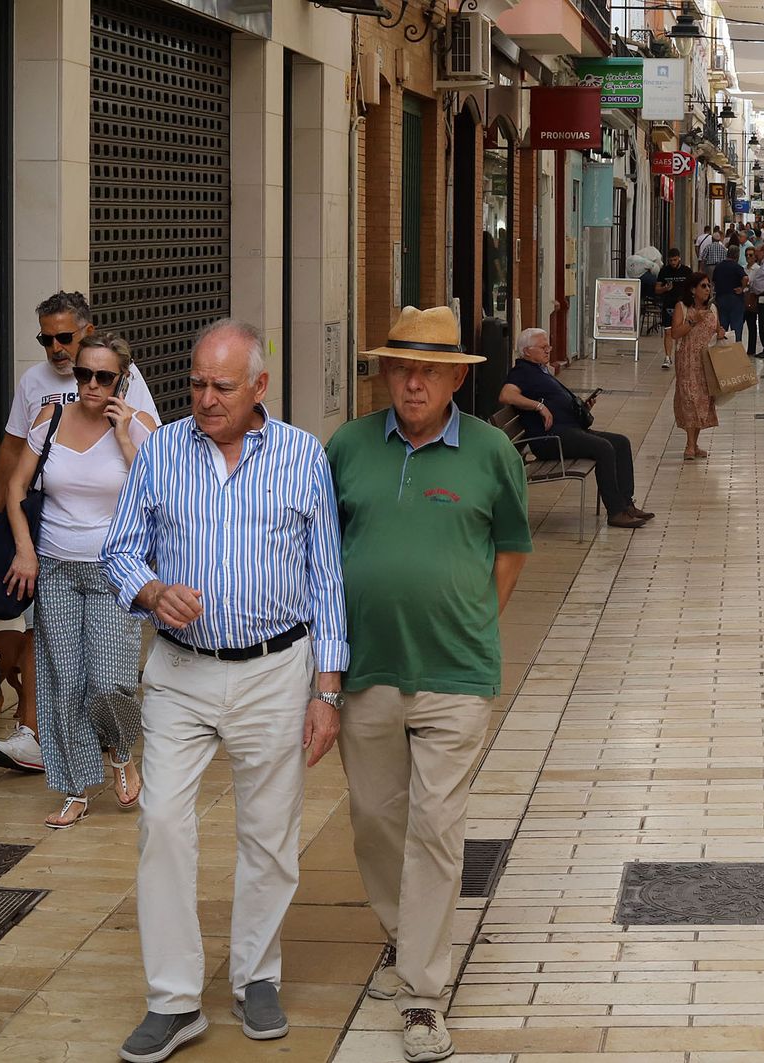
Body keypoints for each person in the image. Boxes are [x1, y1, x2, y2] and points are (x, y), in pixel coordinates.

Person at [101, 318, 348, 1062]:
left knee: (269, 835)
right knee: (164, 824)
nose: (205, 399)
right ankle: (174, 1001)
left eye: (223, 386)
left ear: (260, 386)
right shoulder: (162, 451)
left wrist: (326, 689)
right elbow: (119, 548)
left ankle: (255, 976)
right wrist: (149, 591)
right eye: (198, 384)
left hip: (277, 668)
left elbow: (326, 577)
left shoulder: (303, 455)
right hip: (179, 672)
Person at [328, 306, 532, 1063]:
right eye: (401, 367)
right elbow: (320, 554)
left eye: (429, 369)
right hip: (366, 670)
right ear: (386, 372)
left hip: (455, 673)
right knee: (375, 820)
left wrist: (475, 618)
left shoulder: (488, 451)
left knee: (437, 829)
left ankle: (421, 991)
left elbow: (510, 548)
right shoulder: (347, 446)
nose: (414, 381)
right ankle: (403, 932)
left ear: (455, 377)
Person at [0, 291, 161, 777]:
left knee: (110, 679)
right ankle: (68, 777)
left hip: (114, 567)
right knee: (61, 675)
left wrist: (123, 435)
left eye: (66, 337)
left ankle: (120, 752)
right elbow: (13, 454)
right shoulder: (38, 392)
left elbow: (157, 484)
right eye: (48, 339)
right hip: (54, 559)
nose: (57, 349)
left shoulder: (132, 402)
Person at [501, 328, 653, 529]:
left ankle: (626, 504)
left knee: (620, 442)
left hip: (567, 431)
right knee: (603, 448)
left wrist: (580, 408)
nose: (548, 351)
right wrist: (539, 406)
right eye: (543, 347)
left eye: (549, 346)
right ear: (527, 351)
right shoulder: (521, 372)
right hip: (549, 439)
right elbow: (506, 395)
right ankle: (615, 512)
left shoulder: (539, 369)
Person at [669, 272, 725, 461]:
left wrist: (721, 333)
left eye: (709, 286)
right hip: (687, 360)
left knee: (702, 402)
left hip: (707, 362)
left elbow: (717, 330)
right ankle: (689, 445)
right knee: (689, 399)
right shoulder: (682, 308)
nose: (707, 290)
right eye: (703, 286)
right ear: (693, 290)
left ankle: (694, 444)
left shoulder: (713, 310)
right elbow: (675, 333)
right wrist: (693, 321)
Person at [655, 248, 692, 370]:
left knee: (682, 332)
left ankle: (683, 357)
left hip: (683, 306)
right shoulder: (664, 271)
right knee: (668, 331)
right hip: (668, 305)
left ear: (679, 258)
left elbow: (693, 287)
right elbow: (657, 289)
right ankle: (667, 357)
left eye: (675, 260)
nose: (673, 262)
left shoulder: (686, 271)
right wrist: (665, 289)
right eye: (671, 260)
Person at [711, 246, 748, 342]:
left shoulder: (718, 266)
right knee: (736, 326)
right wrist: (742, 288)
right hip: (735, 298)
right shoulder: (737, 267)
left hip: (721, 297)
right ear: (737, 255)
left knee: (722, 325)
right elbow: (745, 278)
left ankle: (722, 347)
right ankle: (736, 348)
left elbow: (713, 281)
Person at [745, 243, 764, 358]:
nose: (750, 257)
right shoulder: (745, 268)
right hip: (751, 298)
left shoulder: (761, 267)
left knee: (761, 324)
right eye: (747, 255)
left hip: (760, 299)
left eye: (752, 254)